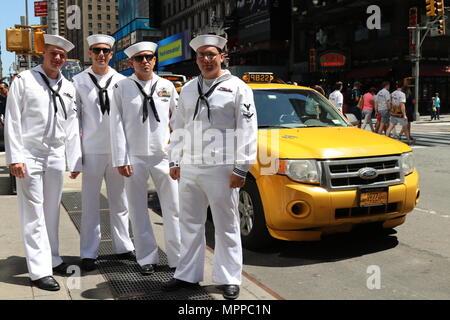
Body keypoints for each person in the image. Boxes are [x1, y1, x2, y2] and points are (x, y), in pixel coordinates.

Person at [163, 34, 258, 300]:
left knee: (226, 224)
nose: (206, 59)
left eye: (211, 54)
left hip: (222, 167)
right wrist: (174, 159)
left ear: (222, 56)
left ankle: (228, 278)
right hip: (191, 166)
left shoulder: (238, 87)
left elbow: (248, 129)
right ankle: (187, 275)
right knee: (190, 223)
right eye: (201, 55)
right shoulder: (190, 88)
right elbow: (179, 125)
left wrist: (242, 167)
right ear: (196, 59)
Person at [4, 35, 82, 291]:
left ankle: (53, 257)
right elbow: (13, 120)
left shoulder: (69, 87)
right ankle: (39, 270)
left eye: (62, 55)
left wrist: (75, 160)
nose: (57, 58)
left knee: (51, 210)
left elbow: (71, 127)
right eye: (53, 53)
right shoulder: (24, 81)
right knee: (34, 212)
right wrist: (15, 157)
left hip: (56, 156)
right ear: (43, 54)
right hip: (30, 155)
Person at [110, 41, 181, 275]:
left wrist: (177, 153)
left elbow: (178, 122)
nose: (145, 61)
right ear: (131, 63)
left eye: (149, 57)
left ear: (155, 59)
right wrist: (121, 158)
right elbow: (116, 124)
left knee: (174, 207)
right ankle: (146, 257)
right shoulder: (121, 87)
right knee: (138, 209)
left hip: (163, 156)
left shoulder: (166, 86)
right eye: (139, 58)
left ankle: (177, 258)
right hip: (134, 157)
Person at [72, 34, 135, 272]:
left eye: (105, 51)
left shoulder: (122, 81)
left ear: (111, 54)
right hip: (91, 150)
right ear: (90, 53)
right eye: (96, 50)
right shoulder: (78, 81)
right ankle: (89, 252)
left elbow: (128, 121)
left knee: (120, 201)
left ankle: (123, 246)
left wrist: (127, 153)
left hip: (117, 151)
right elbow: (74, 122)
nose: (100, 55)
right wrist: (75, 157)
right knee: (89, 204)